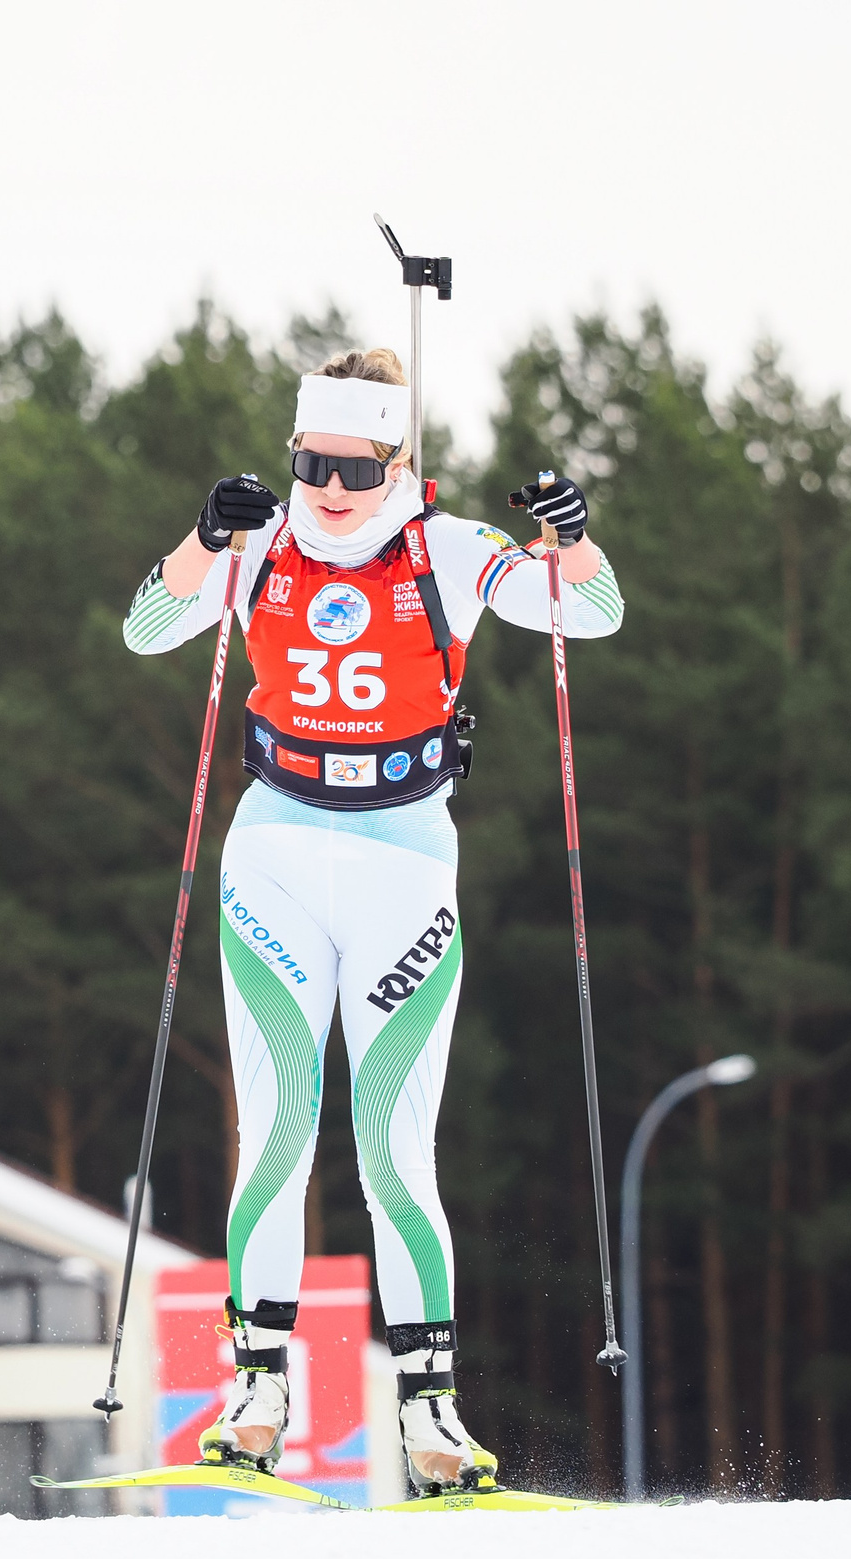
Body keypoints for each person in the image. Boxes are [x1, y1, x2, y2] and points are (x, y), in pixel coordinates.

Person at [121, 348, 623, 1494]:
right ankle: (256, 1391)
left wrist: (573, 538)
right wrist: (201, 537)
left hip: (404, 872)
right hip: (276, 863)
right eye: (313, 465)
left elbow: (592, 614)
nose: (332, 490)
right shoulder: (258, 544)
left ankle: (430, 1411)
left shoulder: (447, 549)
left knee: (394, 1149)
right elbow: (147, 629)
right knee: (278, 1131)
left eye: (356, 469)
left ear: (397, 463)